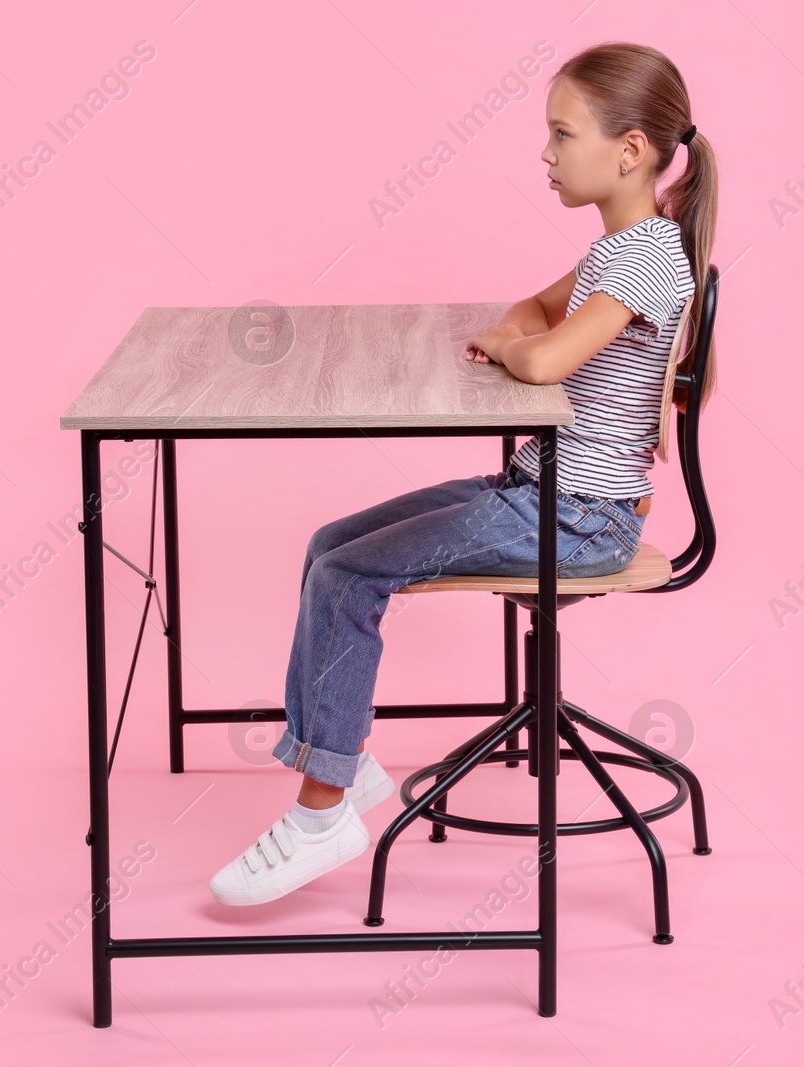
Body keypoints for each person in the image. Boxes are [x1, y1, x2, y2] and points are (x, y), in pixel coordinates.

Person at [209, 41, 721, 906]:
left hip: (581, 518)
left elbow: (544, 353)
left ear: (629, 151)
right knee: (331, 543)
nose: (547, 155)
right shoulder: (626, 248)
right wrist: (525, 342)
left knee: (343, 577)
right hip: (543, 491)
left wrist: (524, 350)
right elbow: (530, 313)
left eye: (563, 135)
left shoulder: (643, 260)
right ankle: (342, 756)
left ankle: (319, 815)